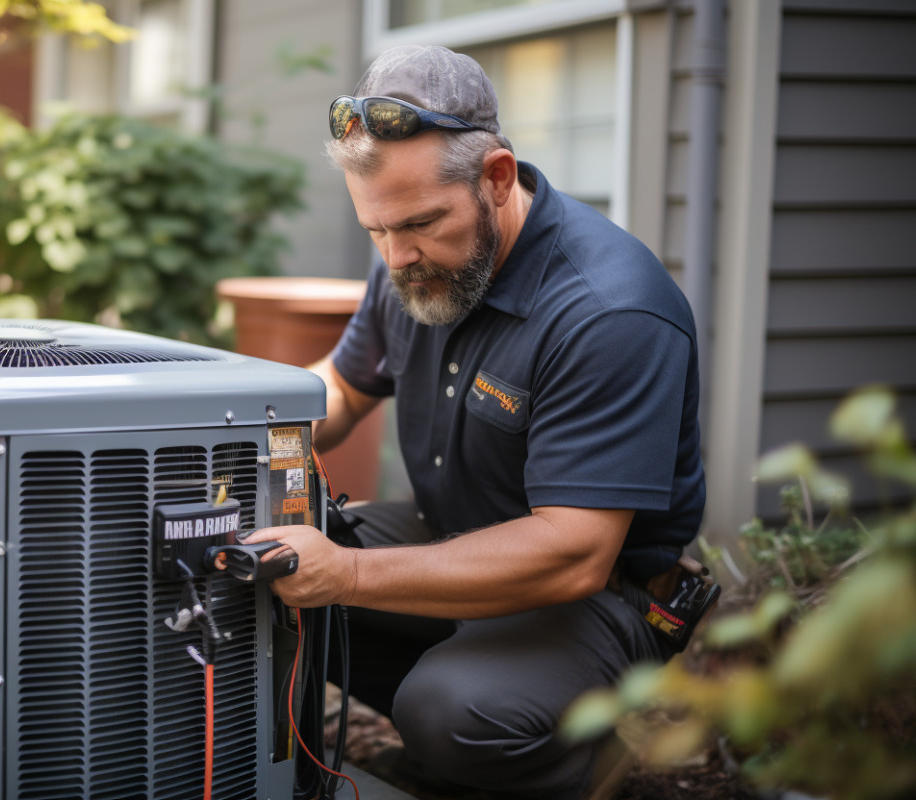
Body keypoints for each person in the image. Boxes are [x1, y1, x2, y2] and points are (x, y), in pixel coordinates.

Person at [244, 45, 706, 798]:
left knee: (453, 711)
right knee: (266, 572)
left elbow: (574, 554)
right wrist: (222, 440)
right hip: (453, 528)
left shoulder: (608, 309)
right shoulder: (410, 253)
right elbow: (341, 392)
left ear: (496, 178)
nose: (397, 257)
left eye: (420, 224)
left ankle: (579, 764)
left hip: (599, 594)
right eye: (376, 231)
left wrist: (351, 574)